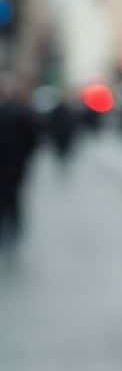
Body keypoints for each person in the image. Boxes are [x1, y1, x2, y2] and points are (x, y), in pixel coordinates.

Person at [0, 77, 39, 248]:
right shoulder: (22, 110)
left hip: (15, 162)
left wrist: (25, 157)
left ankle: (13, 227)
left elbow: (32, 138)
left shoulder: (21, 111)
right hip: (12, 162)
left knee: (13, 196)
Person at [45, 96, 79, 175]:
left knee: (60, 150)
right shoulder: (68, 111)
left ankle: (61, 160)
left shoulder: (56, 111)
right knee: (63, 150)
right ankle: (62, 161)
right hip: (63, 135)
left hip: (60, 135)